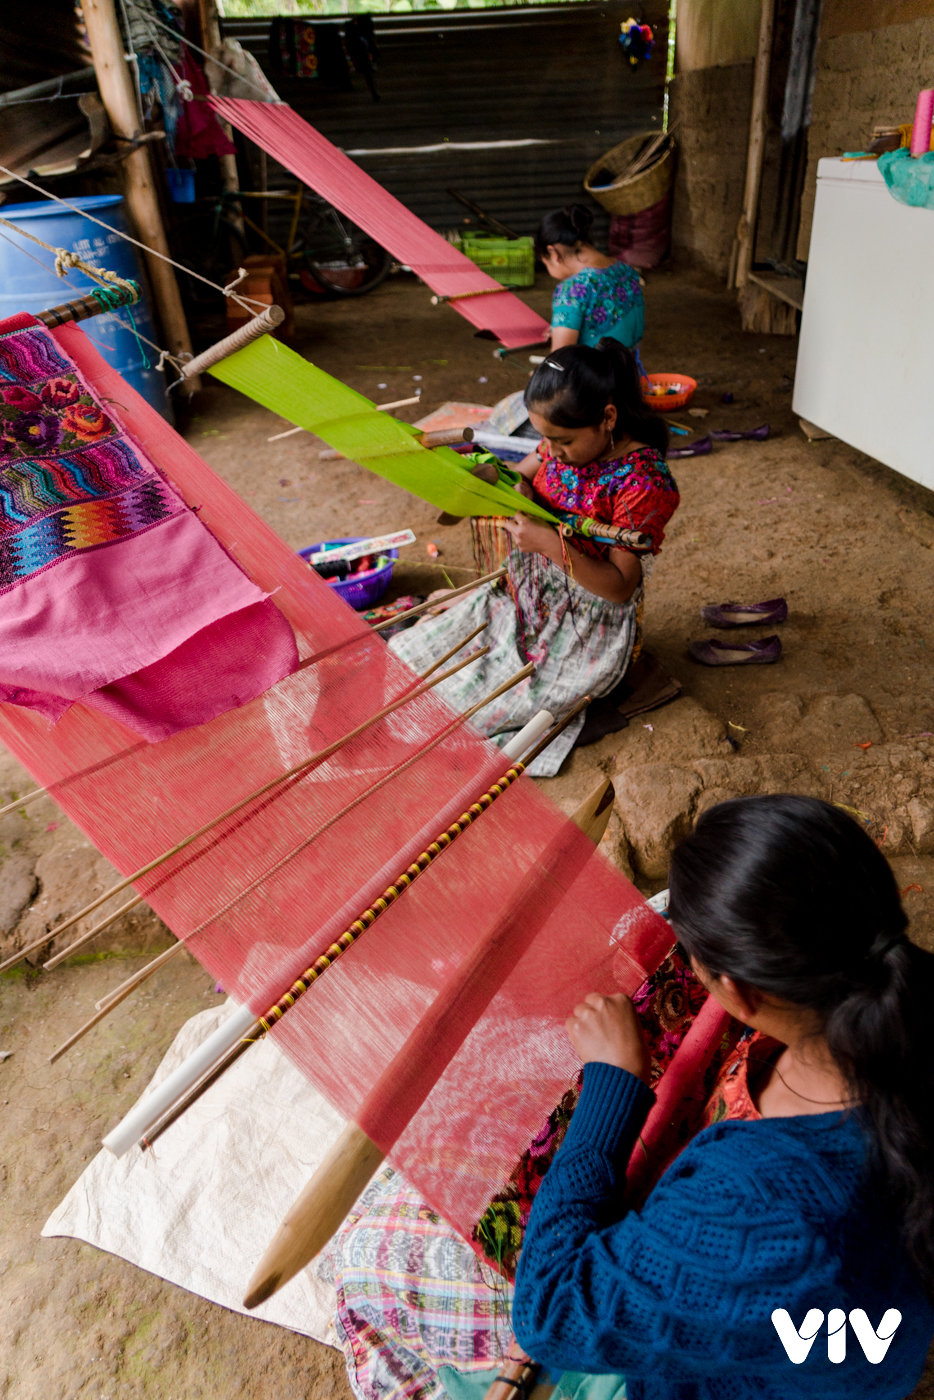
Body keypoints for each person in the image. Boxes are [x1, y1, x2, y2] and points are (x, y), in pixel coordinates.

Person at [513, 795, 934, 1399]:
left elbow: (550, 1309)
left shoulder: (759, 1208)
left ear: (738, 990)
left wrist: (611, 1081)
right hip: (875, 1345)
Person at [387, 339, 679, 776]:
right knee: (406, 657)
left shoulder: (643, 482)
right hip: (524, 597)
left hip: (585, 629)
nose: (551, 450)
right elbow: (520, 473)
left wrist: (548, 544)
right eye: (544, 438)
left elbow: (620, 588)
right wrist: (503, 485)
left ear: (608, 418)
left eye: (562, 440)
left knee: (452, 717)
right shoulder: (555, 445)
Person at [536, 205, 644, 352]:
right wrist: (562, 325)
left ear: (553, 254)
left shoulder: (572, 290)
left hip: (596, 367)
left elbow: (560, 358)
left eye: (545, 262)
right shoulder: (626, 271)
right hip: (630, 365)